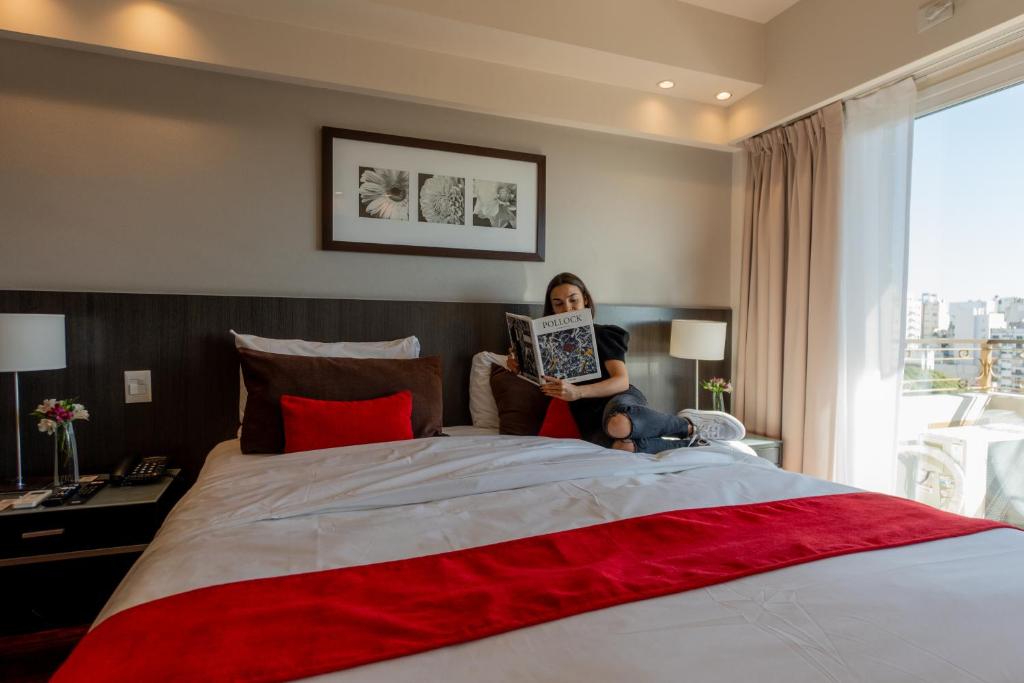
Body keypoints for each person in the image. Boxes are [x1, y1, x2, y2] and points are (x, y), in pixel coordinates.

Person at [507, 272, 745, 453]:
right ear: (551, 309)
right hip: (587, 417)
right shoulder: (545, 345)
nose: (567, 309)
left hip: (619, 400)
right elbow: (545, 386)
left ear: (586, 301)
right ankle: (696, 444)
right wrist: (520, 368)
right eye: (558, 303)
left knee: (618, 424)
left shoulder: (604, 334)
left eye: (573, 300)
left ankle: (689, 425)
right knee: (624, 447)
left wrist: (577, 392)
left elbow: (621, 381)